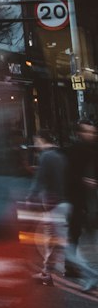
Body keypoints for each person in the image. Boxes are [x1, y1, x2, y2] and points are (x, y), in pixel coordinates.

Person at [27, 129, 69, 285]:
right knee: (52, 239)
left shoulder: (46, 156)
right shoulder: (60, 155)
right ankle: (47, 272)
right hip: (61, 202)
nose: (36, 144)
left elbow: (39, 180)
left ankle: (84, 270)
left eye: (36, 141)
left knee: (54, 239)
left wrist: (30, 197)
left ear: (41, 139)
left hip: (52, 204)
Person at [64, 120, 98, 292]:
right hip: (78, 201)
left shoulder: (93, 150)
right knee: (74, 234)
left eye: (93, 132)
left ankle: (87, 271)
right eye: (87, 132)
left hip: (92, 202)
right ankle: (73, 267)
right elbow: (69, 176)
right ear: (79, 133)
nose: (90, 135)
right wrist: (83, 181)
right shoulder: (74, 151)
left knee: (91, 235)